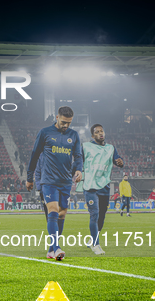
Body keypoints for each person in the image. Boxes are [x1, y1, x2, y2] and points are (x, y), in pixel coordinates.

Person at [26, 106, 83, 261]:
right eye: (63, 122)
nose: (66, 126)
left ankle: (51, 250)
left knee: (62, 213)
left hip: (65, 180)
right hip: (48, 180)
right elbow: (35, 155)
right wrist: (29, 177)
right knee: (53, 210)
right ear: (57, 117)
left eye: (69, 123)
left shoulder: (74, 135)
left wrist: (79, 170)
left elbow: (78, 156)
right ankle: (57, 247)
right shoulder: (45, 133)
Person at [77, 124, 124, 255]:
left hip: (104, 185)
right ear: (92, 136)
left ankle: (92, 240)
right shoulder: (86, 147)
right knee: (95, 214)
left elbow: (118, 160)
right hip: (90, 185)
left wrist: (120, 162)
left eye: (102, 131)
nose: (100, 133)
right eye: (97, 132)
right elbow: (78, 161)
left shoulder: (111, 148)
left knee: (101, 217)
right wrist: (78, 172)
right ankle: (96, 245)